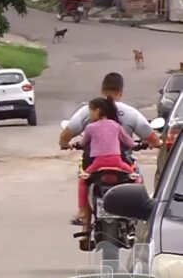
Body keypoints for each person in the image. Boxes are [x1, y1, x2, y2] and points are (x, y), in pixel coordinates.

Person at [59, 72, 160, 225]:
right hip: (121, 160)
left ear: (102, 90)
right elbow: (150, 137)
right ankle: (139, 218)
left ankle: (85, 224)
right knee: (136, 178)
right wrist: (154, 144)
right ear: (120, 91)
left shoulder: (88, 112)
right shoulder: (129, 114)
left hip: (93, 162)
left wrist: (65, 144)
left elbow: (68, 134)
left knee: (84, 180)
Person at [75, 97, 142, 228]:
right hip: (117, 163)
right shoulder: (116, 125)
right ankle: (136, 210)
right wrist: (139, 144)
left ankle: (82, 211)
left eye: (90, 111)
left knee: (83, 181)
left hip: (98, 164)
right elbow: (129, 143)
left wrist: (76, 145)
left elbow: (83, 143)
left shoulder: (90, 128)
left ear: (97, 110)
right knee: (136, 178)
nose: (89, 114)